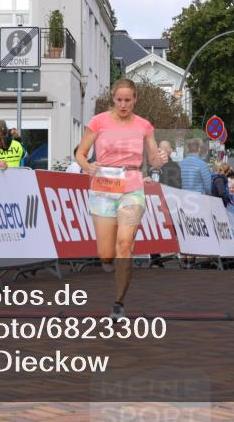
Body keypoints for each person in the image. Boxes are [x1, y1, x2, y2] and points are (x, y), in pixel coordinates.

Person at [75, 78, 167, 319]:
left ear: (135, 100)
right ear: (113, 99)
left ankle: (119, 302)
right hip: (104, 187)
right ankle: (107, 261)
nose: (123, 105)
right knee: (106, 253)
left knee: (124, 245)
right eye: (119, 100)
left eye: (128, 100)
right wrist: (87, 166)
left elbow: (153, 159)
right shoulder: (98, 122)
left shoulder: (144, 126)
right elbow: (80, 153)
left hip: (132, 187)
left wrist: (161, 158)